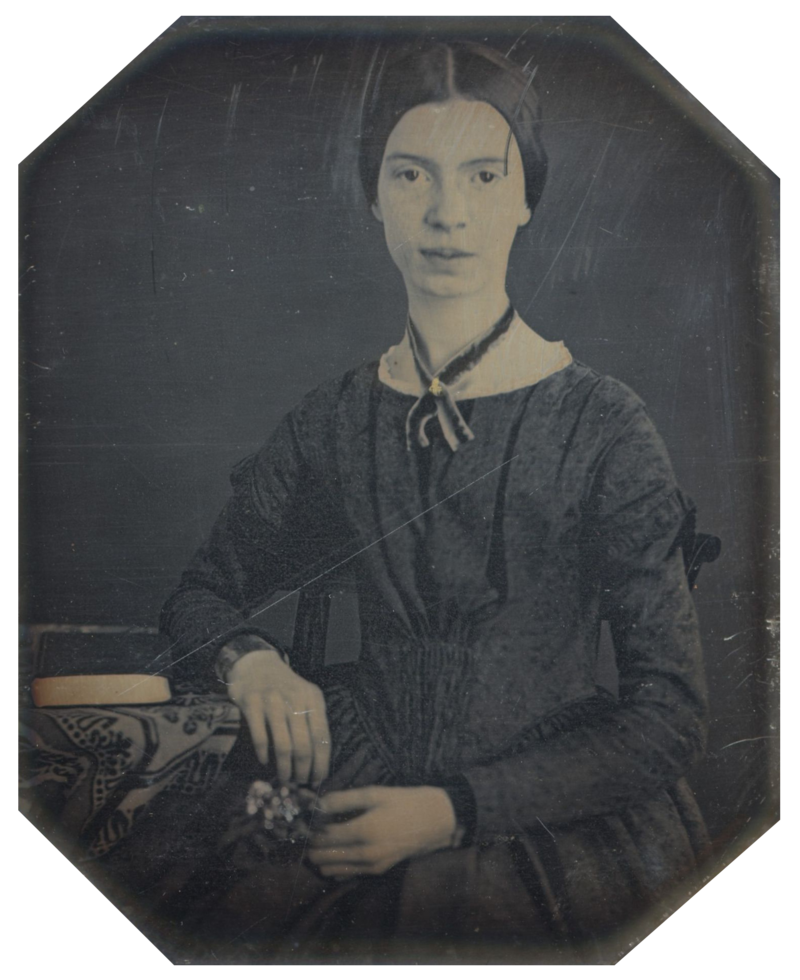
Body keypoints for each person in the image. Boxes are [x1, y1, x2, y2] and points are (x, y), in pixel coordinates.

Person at [154, 40, 710, 963]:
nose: (448, 214)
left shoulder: (605, 426)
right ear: (373, 197)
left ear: (526, 198)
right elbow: (198, 598)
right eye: (411, 174)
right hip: (349, 786)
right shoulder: (333, 420)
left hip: (548, 828)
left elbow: (670, 719)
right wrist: (252, 662)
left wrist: (455, 811)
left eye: (483, 176)